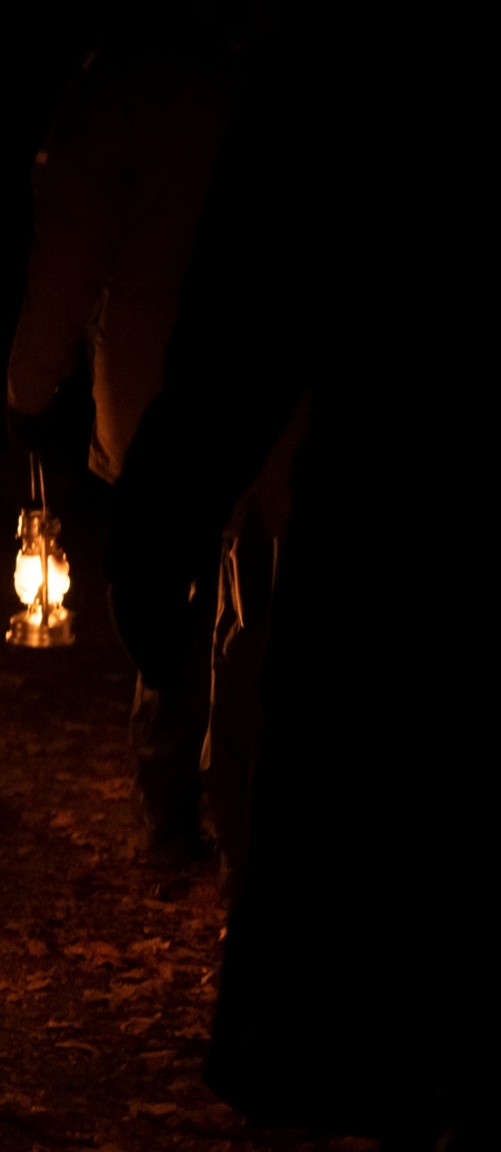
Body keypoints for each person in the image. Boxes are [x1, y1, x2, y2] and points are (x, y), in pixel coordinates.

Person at [106, 17, 476, 1144]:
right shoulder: (347, 66)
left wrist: (160, 520)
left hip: (395, 558)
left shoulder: (354, 66)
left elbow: (246, 310)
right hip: (393, 555)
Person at [3, 14, 240, 863]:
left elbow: (69, 242)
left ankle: (176, 801)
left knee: (169, 585)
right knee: (238, 591)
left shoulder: (125, 82)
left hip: (159, 378)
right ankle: (220, 796)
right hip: (257, 371)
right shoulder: (252, 68)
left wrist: (32, 386)